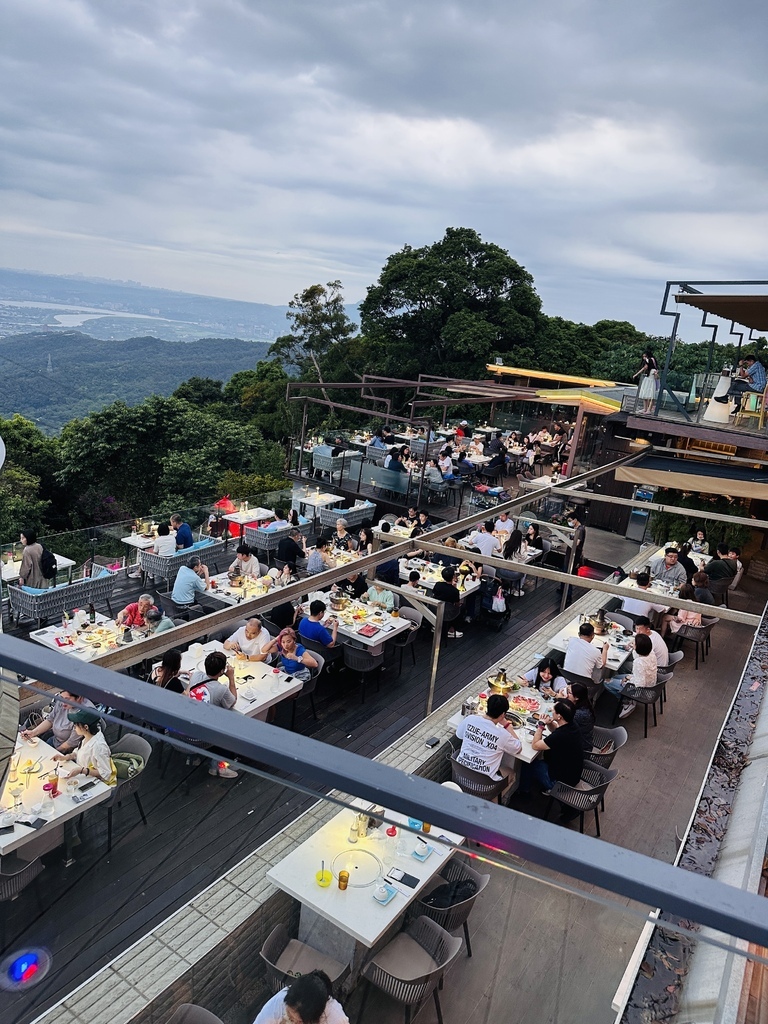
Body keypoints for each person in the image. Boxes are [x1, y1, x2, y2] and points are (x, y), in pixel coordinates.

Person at [522, 700, 584, 799]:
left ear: (559, 717)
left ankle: (524, 792)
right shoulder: (572, 725)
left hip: (560, 783)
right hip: (572, 775)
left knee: (527, 762)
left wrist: (541, 725)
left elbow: (535, 745)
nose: (551, 711)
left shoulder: (561, 736)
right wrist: (550, 723)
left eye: (554, 711)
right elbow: (556, 729)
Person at [455, 693, 521, 782]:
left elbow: (459, 735)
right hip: (483, 786)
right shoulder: (503, 735)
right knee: (511, 773)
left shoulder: (470, 719)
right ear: (502, 715)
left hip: (460, 775)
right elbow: (518, 748)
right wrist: (507, 725)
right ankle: (494, 796)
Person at [253, 970, 349, 1024]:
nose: (293, 1022)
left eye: (299, 1021)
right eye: (289, 1016)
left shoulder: (335, 1018)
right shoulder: (279, 1002)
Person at [53, 710, 116, 785]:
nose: (74, 728)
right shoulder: (87, 736)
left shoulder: (99, 747)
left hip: (99, 783)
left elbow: (106, 773)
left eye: (76, 725)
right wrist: (66, 757)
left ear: (86, 727)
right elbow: (79, 751)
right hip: (84, 776)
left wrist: (82, 770)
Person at [604, 632, 657, 718]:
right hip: (650, 683)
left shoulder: (639, 662)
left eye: (634, 643)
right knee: (615, 677)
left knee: (606, 682)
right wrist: (633, 645)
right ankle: (628, 698)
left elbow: (640, 684)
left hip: (641, 689)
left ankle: (627, 701)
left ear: (639, 647)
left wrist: (626, 679)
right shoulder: (651, 653)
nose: (632, 644)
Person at [21, 691, 96, 752]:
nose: (62, 702)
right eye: (62, 697)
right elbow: (50, 720)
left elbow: (71, 743)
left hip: (70, 750)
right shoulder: (62, 701)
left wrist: (53, 752)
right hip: (55, 740)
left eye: (67, 699)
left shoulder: (84, 713)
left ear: (79, 697)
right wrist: (33, 732)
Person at [433, 566, 463, 639]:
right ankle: (451, 629)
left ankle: (435, 625)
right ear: (453, 577)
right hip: (448, 612)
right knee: (461, 608)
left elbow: (434, 594)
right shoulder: (454, 591)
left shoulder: (438, 585)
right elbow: (457, 603)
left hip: (435, 609)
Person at [567, 681, 595, 751]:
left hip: (579, 750)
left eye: (569, 692)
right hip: (581, 740)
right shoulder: (584, 704)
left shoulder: (579, 714)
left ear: (576, 698)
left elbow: (561, 727)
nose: (566, 694)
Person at [633, 348, 660, 414]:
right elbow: (644, 368)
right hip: (647, 380)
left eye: (645, 356)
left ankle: (649, 410)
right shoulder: (648, 367)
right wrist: (636, 374)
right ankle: (645, 409)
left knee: (651, 396)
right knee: (645, 394)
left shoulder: (653, 367)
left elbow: (657, 377)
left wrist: (656, 374)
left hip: (651, 381)